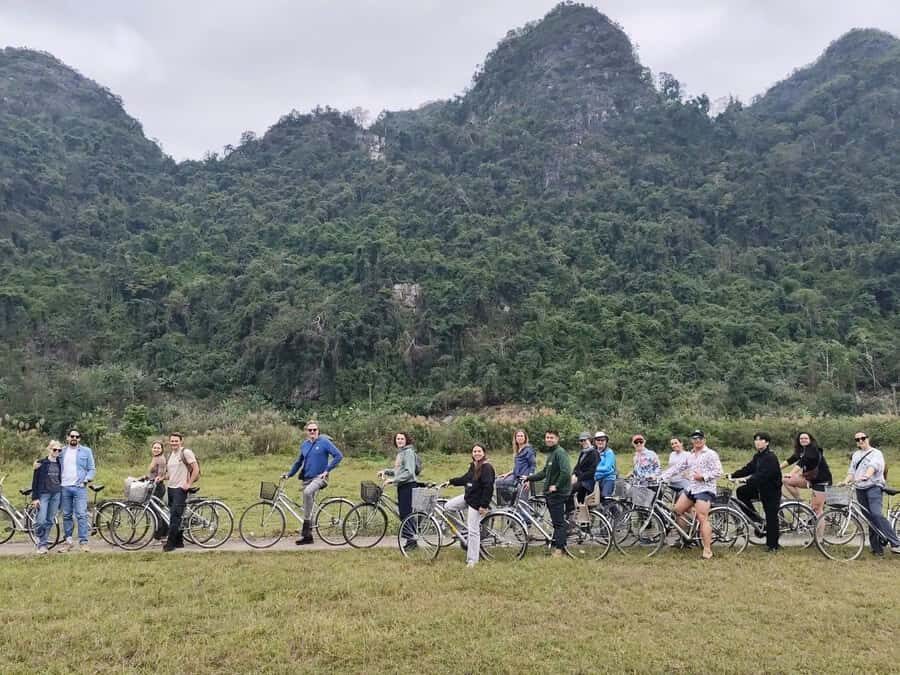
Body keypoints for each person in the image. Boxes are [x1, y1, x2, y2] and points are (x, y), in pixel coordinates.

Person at [282, 420, 343, 545]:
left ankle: (306, 526)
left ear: (318, 431)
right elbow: (298, 462)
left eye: (314, 430)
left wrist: (327, 470)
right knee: (307, 508)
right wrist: (289, 474)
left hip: (320, 479)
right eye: (310, 430)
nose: (312, 432)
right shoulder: (304, 445)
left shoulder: (324, 442)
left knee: (307, 492)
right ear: (306, 432)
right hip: (307, 479)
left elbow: (338, 456)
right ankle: (308, 537)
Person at [840, 432, 900, 556]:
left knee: (876, 514)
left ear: (868, 439)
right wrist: (845, 481)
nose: (860, 441)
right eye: (857, 439)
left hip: (873, 487)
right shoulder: (856, 455)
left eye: (863, 438)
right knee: (869, 518)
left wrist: (867, 475)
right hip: (860, 488)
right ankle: (876, 548)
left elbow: (874, 466)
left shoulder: (876, 453)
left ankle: (896, 543)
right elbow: (852, 471)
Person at [668, 430, 723, 560]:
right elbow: (677, 468)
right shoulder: (691, 455)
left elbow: (719, 471)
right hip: (692, 488)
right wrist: (661, 476)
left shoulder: (710, 454)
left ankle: (707, 550)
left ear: (704, 440)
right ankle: (687, 537)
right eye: (694, 438)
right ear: (692, 440)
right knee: (677, 510)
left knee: (702, 518)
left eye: (700, 438)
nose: (697, 440)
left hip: (705, 489)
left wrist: (703, 477)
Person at [729, 432, 782, 552]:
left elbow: (762, 475)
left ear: (767, 442)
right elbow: (749, 468)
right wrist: (732, 475)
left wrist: (746, 480)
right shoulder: (758, 456)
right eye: (756, 440)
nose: (757, 442)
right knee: (741, 492)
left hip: (771, 490)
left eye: (761, 440)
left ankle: (773, 545)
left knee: (771, 516)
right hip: (760, 488)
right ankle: (756, 519)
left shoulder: (770, 457)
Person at [445, 444, 496, 568]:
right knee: (448, 507)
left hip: (477, 502)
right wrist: (451, 481)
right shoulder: (473, 466)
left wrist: (484, 505)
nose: (477, 453)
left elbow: (488, 487)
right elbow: (465, 479)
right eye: (475, 451)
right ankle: (462, 531)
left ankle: (472, 560)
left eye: (479, 451)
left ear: (484, 453)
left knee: (473, 531)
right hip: (468, 498)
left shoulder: (486, 468)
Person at [524, 430, 572, 557]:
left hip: (558, 493)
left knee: (558, 523)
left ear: (557, 439)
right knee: (556, 522)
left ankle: (559, 550)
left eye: (552, 437)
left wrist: (556, 486)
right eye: (547, 437)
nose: (549, 439)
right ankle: (557, 545)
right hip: (551, 494)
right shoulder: (552, 454)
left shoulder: (560, 453)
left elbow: (566, 472)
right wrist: (529, 478)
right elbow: (544, 472)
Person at [57, 428, 96, 553]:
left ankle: (83, 542)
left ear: (79, 439)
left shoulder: (86, 451)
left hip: (79, 488)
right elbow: (52, 461)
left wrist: (86, 479)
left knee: (81, 515)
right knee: (67, 515)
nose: (74, 438)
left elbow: (91, 469)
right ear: (67, 437)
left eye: (77, 436)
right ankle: (68, 542)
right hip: (64, 487)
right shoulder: (61, 451)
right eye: (72, 436)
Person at [379, 432, 418, 551]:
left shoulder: (408, 452)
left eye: (402, 439)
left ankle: (412, 541)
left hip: (408, 486)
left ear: (407, 440)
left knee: (406, 514)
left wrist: (392, 480)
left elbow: (409, 472)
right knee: (404, 513)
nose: (399, 441)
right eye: (398, 439)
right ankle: (410, 540)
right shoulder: (401, 453)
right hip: (402, 486)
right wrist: (385, 471)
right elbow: (399, 470)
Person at [781, 431, 832, 517]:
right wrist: (776, 468)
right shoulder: (801, 450)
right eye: (801, 438)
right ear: (798, 440)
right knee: (785, 480)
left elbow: (802, 461)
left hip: (821, 480)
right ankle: (800, 503)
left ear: (810, 440)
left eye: (805, 438)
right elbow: (790, 460)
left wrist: (791, 473)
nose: (803, 440)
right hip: (809, 478)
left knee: (816, 509)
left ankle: (821, 523)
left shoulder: (813, 449)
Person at [163, 433, 199, 552]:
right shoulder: (170, 455)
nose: (174, 443)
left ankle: (170, 544)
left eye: (176, 441)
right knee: (177, 516)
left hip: (180, 488)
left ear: (181, 441)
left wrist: (189, 484)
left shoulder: (186, 452)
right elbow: (170, 474)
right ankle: (179, 541)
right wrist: (162, 478)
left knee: (175, 516)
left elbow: (196, 468)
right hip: (171, 488)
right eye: (172, 441)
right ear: (169, 442)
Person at [31, 440, 64, 554]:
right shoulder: (41, 463)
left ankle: (42, 545)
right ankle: (40, 538)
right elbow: (35, 482)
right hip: (43, 494)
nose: (57, 452)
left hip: (56, 494)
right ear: (49, 449)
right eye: (54, 449)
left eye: (59, 450)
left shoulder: (61, 462)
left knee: (49, 520)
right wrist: (35, 498)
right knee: (40, 521)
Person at [568, 432, 599, 521]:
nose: (583, 442)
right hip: (581, 481)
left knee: (569, 491)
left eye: (585, 440)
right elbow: (577, 466)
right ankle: (574, 517)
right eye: (581, 441)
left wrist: (578, 478)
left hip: (588, 482)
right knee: (576, 498)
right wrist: (573, 474)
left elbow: (592, 471)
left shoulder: (594, 453)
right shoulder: (583, 453)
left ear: (590, 440)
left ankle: (570, 513)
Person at [495, 430, 536, 494]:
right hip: (515, 476)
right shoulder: (518, 450)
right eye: (518, 436)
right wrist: (507, 474)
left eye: (521, 436)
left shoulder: (529, 450)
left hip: (523, 478)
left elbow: (532, 466)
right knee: (498, 481)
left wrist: (529, 480)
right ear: (515, 438)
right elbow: (517, 467)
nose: (520, 438)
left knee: (522, 499)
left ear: (525, 438)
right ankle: (508, 502)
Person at [145, 440, 168, 541]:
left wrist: (156, 479)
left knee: (156, 510)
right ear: (152, 448)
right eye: (154, 447)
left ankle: (160, 533)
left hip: (157, 487)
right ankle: (161, 532)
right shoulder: (155, 458)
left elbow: (160, 475)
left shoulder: (161, 459)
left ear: (162, 449)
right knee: (157, 509)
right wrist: (145, 477)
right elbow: (152, 474)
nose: (156, 449)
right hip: (153, 485)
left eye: (158, 448)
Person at [592, 431, 617, 498]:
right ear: (595, 441)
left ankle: (613, 508)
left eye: (602, 440)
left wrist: (593, 469)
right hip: (596, 478)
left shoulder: (609, 452)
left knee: (605, 497)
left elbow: (607, 468)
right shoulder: (593, 452)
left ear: (606, 441)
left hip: (608, 478)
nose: (600, 442)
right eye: (598, 440)